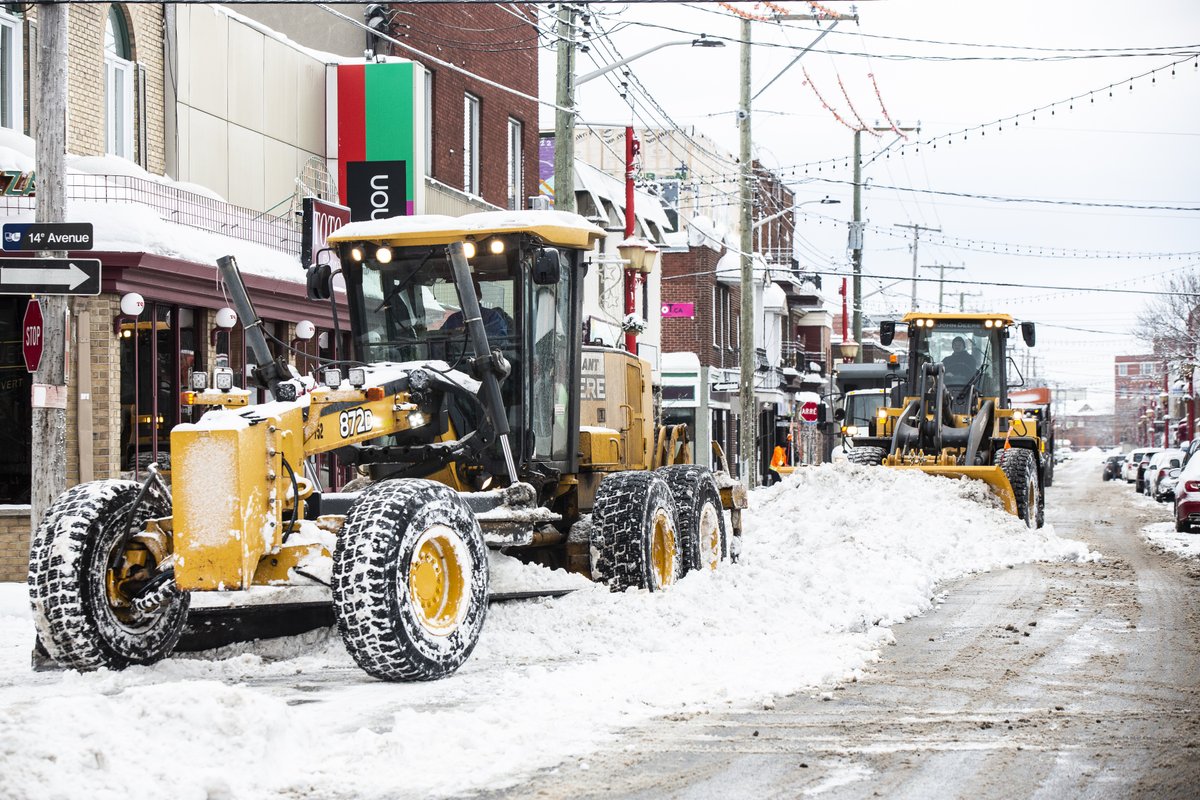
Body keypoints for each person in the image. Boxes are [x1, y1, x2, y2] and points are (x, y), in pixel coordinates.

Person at [441, 280, 511, 339]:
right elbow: (439, 337)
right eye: (461, 296)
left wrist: (468, 332)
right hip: (454, 355)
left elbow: (499, 340)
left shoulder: (492, 317)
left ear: (479, 297)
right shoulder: (453, 319)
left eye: (469, 296)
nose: (464, 299)